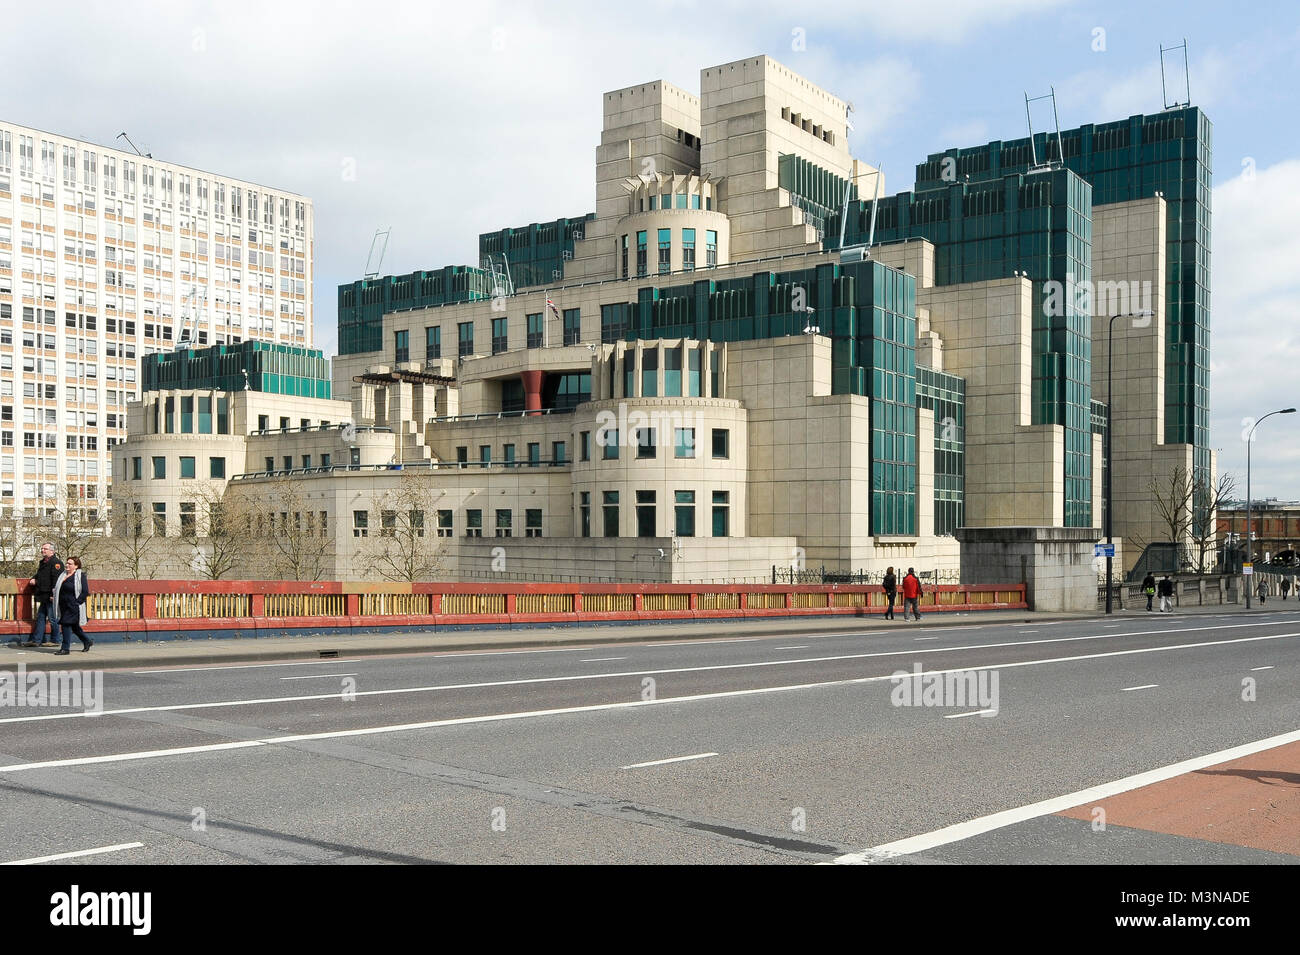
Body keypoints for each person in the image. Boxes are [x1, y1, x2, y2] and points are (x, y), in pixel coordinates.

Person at [24, 541, 64, 648]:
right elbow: (40, 575)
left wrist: (53, 595)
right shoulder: (43, 562)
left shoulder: (57, 563)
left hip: (50, 596)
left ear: (52, 551)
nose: (42, 550)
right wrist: (34, 578)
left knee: (53, 619)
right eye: (42, 549)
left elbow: (56, 581)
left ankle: (55, 640)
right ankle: (37, 640)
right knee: (41, 618)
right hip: (43, 596)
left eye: (45, 549)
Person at [51, 557, 92, 655]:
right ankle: (87, 641)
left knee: (65, 624)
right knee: (74, 627)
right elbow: (59, 589)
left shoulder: (80, 576)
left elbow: (85, 591)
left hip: (73, 606)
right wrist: (55, 596)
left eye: (70, 564)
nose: (67, 565)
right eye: (66, 563)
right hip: (63, 605)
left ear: (76, 566)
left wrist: (77, 602)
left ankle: (65, 648)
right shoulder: (62, 575)